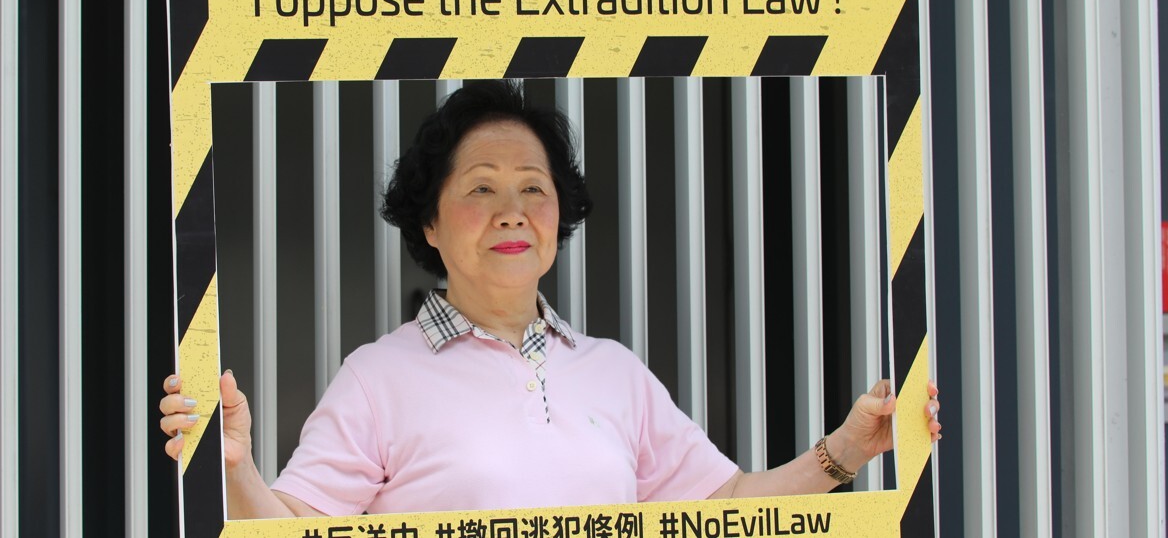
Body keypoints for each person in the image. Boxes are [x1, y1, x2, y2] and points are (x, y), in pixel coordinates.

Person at [159, 81, 942, 518]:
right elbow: (298, 527)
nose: (511, 210)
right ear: (429, 222)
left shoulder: (612, 372)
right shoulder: (377, 377)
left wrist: (845, 449)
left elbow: (729, 502)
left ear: (556, 221)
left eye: (533, 190)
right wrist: (236, 469)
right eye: (481, 190)